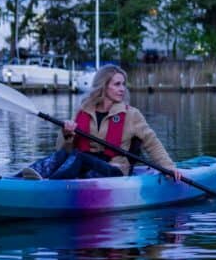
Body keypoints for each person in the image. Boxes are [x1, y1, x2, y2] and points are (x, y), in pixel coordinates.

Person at [20, 65, 182, 181]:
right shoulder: (83, 111)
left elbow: (152, 143)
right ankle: (18, 179)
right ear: (104, 87)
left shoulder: (132, 115)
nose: (122, 89)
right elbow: (62, 150)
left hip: (114, 171)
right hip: (86, 169)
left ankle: (49, 187)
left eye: (123, 84)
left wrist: (169, 167)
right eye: (117, 84)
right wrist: (66, 134)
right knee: (65, 155)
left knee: (79, 157)